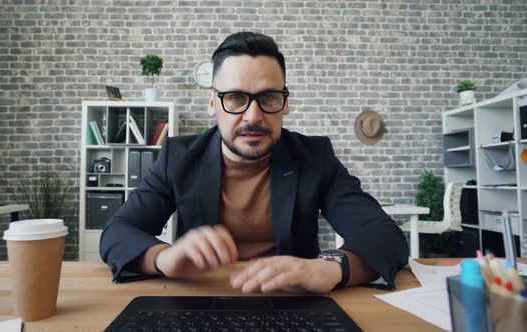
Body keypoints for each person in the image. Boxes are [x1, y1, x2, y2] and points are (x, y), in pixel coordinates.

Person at [100, 31, 408, 293]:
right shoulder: (178, 158)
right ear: (212, 103)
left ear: (285, 104)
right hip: (201, 298)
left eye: (269, 98)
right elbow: (117, 232)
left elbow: (386, 236)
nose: (252, 116)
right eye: (235, 98)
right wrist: (163, 258)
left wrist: (329, 268)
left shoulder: (316, 158)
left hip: (293, 304)